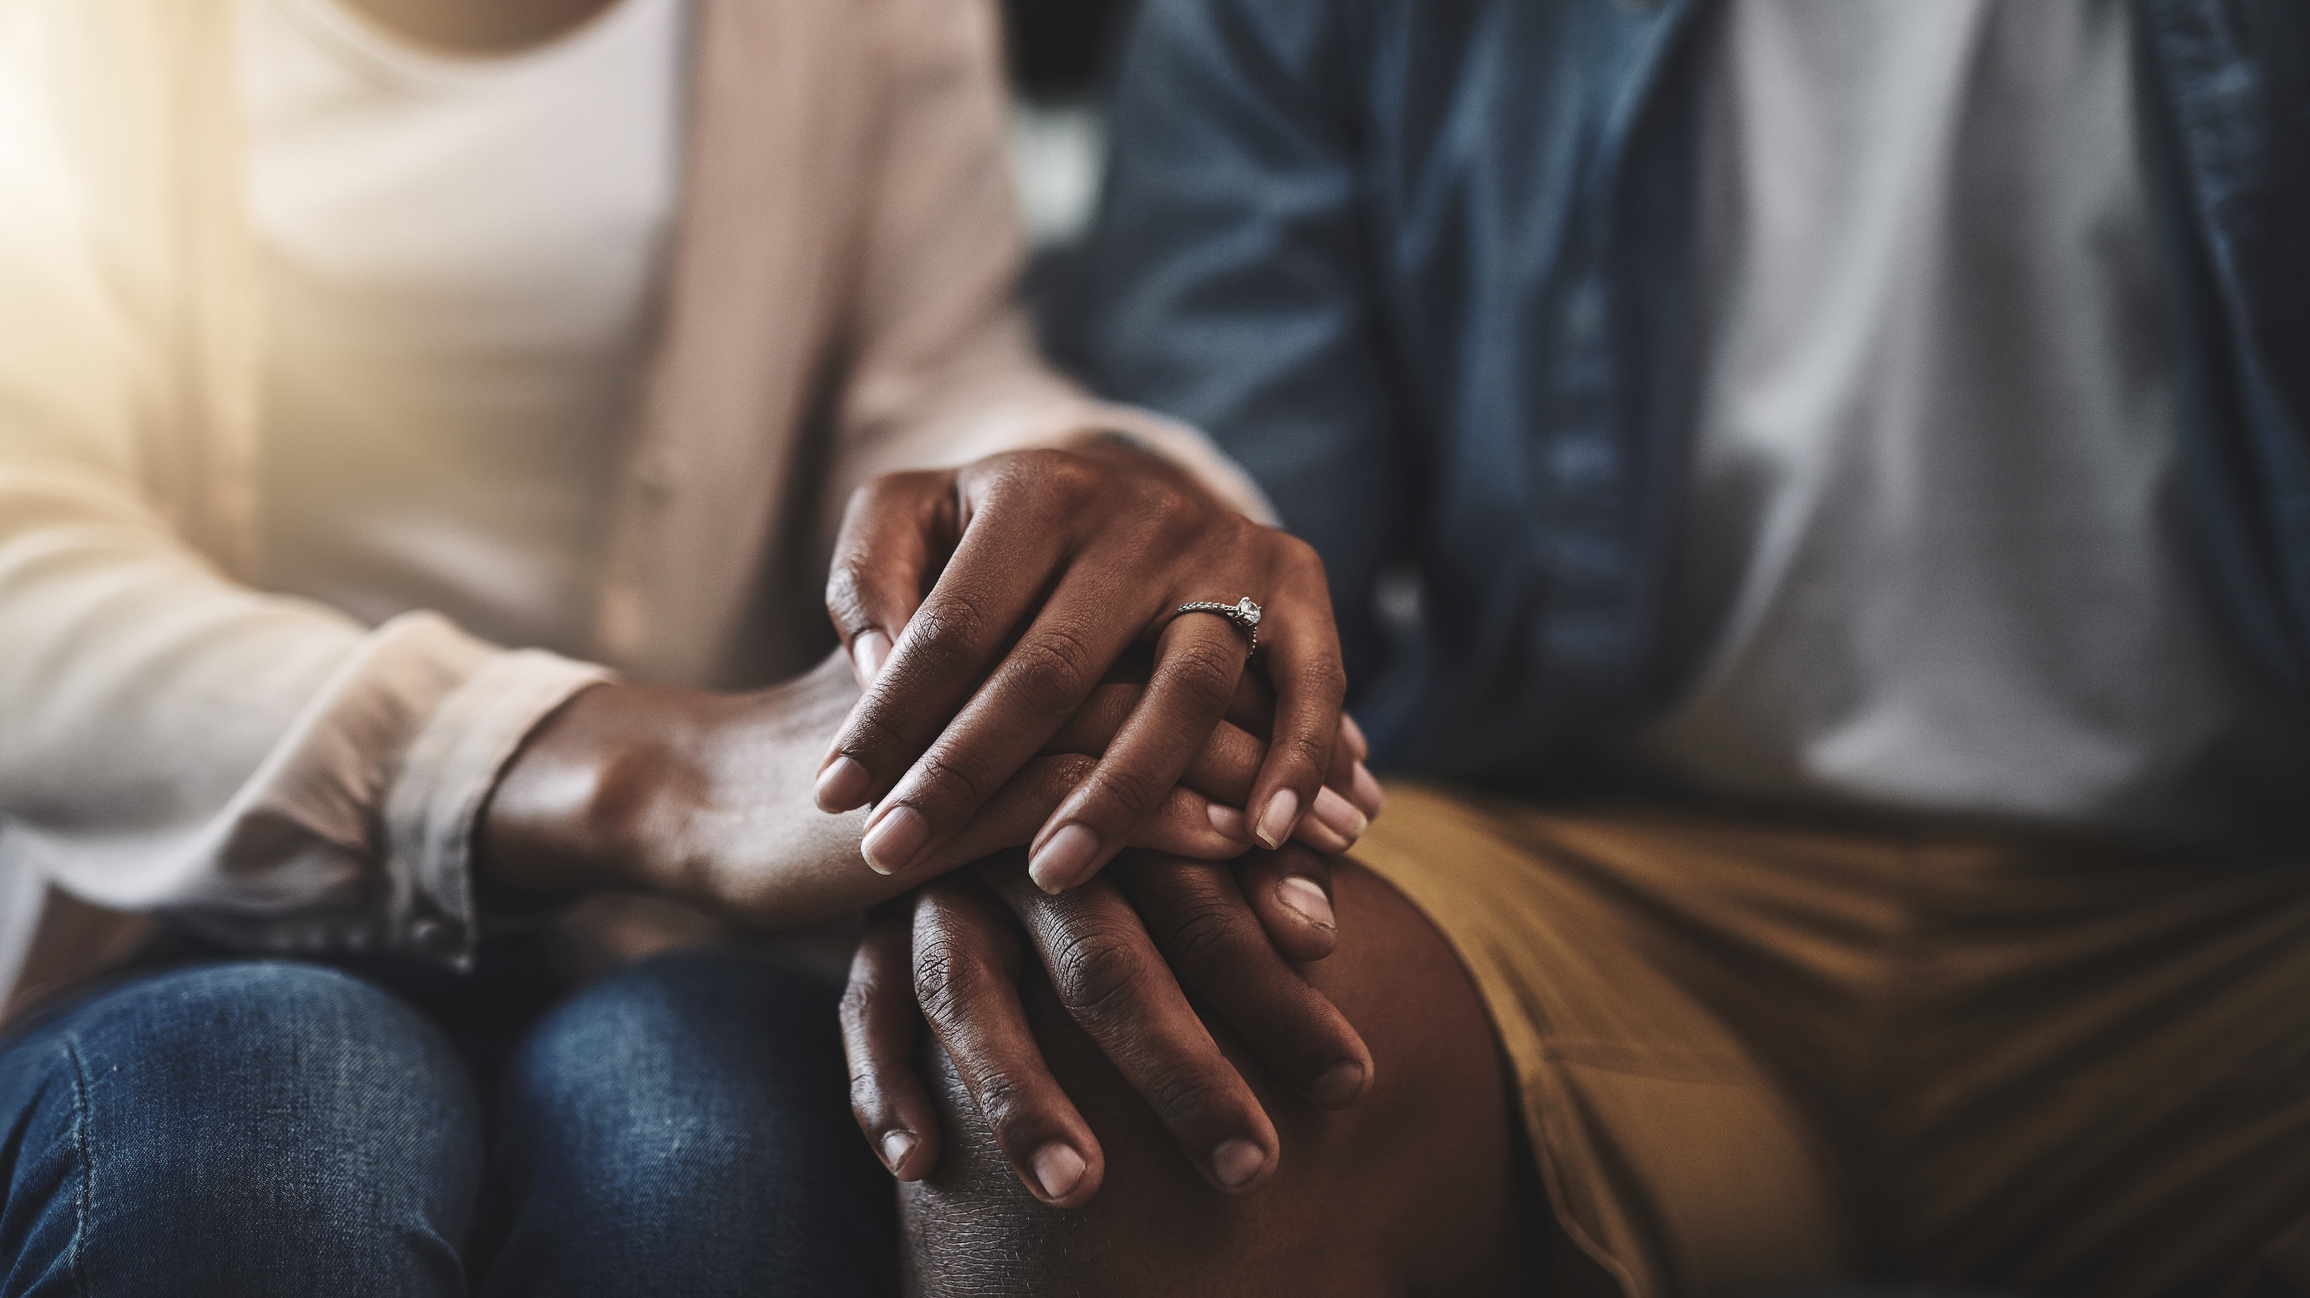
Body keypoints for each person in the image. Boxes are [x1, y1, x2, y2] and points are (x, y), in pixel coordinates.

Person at [842, 0, 2310, 1294]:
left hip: (2241, 925)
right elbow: (1231, 541)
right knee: (1124, 979)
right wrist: (1074, 783)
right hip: (1591, 867)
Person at [0, 0, 1385, 1292]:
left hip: (694, 920)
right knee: (259, 1101)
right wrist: (654, 774)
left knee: (705, 1139)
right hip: (141, 909)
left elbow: (929, 376)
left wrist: (1082, 548)